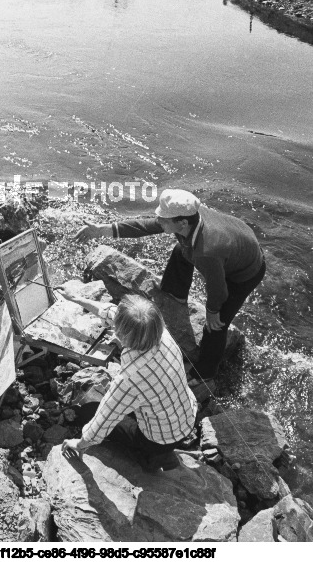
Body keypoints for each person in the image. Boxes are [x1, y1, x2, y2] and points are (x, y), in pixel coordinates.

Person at [75, 189, 266, 386]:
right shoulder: (191, 219)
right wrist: (102, 229)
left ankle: (205, 372)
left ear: (182, 223)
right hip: (236, 245)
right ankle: (176, 292)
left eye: (164, 219)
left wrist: (213, 311)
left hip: (245, 272)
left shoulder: (206, 251)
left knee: (215, 326)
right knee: (181, 250)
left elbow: (218, 289)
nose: (159, 220)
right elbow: (144, 226)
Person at [59, 286, 197, 468]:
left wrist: (79, 443)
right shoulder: (159, 331)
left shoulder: (132, 378)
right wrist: (76, 298)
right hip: (187, 415)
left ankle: (154, 457)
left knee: (88, 410)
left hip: (161, 438)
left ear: (124, 336)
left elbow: (105, 418)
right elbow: (114, 314)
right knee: (122, 401)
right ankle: (160, 452)